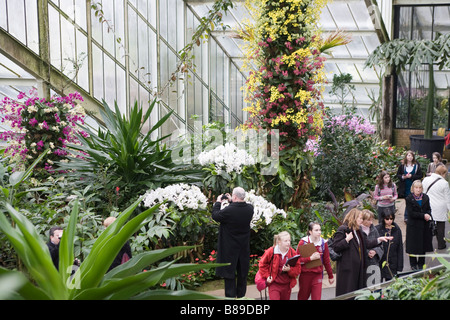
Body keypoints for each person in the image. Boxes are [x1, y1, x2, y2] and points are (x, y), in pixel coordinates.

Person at [332, 208, 392, 296]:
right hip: (348, 270)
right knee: (347, 293)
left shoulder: (358, 230)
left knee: (357, 293)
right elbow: (336, 247)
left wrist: (379, 239)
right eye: (359, 218)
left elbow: (366, 243)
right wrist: (346, 240)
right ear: (354, 218)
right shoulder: (343, 229)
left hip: (358, 269)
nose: (361, 220)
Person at [212, 187, 254, 298]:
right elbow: (238, 208)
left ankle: (230, 297)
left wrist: (217, 202)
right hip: (243, 247)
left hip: (229, 248)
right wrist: (231, 200)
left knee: (229, 273)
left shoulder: (229, 210)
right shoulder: (250, 208)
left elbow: (215, 215)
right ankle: (241, 296)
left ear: (235, 196)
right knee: (242, 273)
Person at [296, 222, 334, 300]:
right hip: (305, 275)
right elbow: (297, 260)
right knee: (303, 297)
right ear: (310, 231)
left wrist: (330, 275)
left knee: (316, 298)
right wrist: (310, 258)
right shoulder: (303, 242)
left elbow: (326, 261)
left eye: (320, 230)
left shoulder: (323, 243)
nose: (319, 232)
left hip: (317, 274)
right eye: (316, 230)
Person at [258, 231, 301, 300]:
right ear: (279, 242)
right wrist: (267, 276)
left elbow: (298, 269)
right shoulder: (271, 251)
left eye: (289, 240)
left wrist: (289, 270)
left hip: (287, 285)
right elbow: (262, 265)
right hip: (274, 284)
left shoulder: (292, 253)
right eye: (285, 241)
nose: (288, 243)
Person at [405, 180, 433, 270]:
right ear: (413, 189)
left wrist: (428, 214)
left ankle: (421, 264)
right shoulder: (409, 198)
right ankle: (413, 264)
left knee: (422, 245)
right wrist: (423, 215)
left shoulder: (426, 197)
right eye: (416, 188)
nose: (418, 189)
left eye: (420, 187)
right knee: (412, 246)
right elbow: (411, 213)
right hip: (413, 226)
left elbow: (428, 209)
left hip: (424, 226)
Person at [422, 165, 450, 250]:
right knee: (440, 227)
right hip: (441, 208)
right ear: (442, 173)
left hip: (428, 206)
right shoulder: (444, 183)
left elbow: (423, 193)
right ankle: (441, 244)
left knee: (428, 227)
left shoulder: (426, 180)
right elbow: (447, 198)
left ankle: (427, 245)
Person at [375, 212, 404, 281]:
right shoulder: (377, 229)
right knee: (378, 284)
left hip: (392, 261)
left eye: (391, 219)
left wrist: (399, 265)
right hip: (380, 261)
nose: (389, 221)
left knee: (390, 285)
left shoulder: (396, 229)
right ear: (383, 219)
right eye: (387, 219)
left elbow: (400, 247)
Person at [396, 150, 423, 221]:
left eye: (411, 155)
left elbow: (420, 175)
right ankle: (406, 216)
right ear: (406, 156)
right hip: (405, 186)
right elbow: (398, 175)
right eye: (408, 155)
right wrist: (403, 176)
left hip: (414, 186)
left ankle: (412, 215)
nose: (410, 157)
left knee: (414, 200)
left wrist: (412, 176)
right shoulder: (402, 166)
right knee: (408, 201)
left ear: (413, 157)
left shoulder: (416, 166)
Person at [360, 210, 384, 287]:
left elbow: (381, 246)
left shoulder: (374, 229)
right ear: (362, 220)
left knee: (375, 288)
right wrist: (367, 252)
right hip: (362, 265)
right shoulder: (358, 230)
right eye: (368, 220)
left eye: (372, 220)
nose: (371, 222)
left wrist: (375, 251)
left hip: (374, 263)